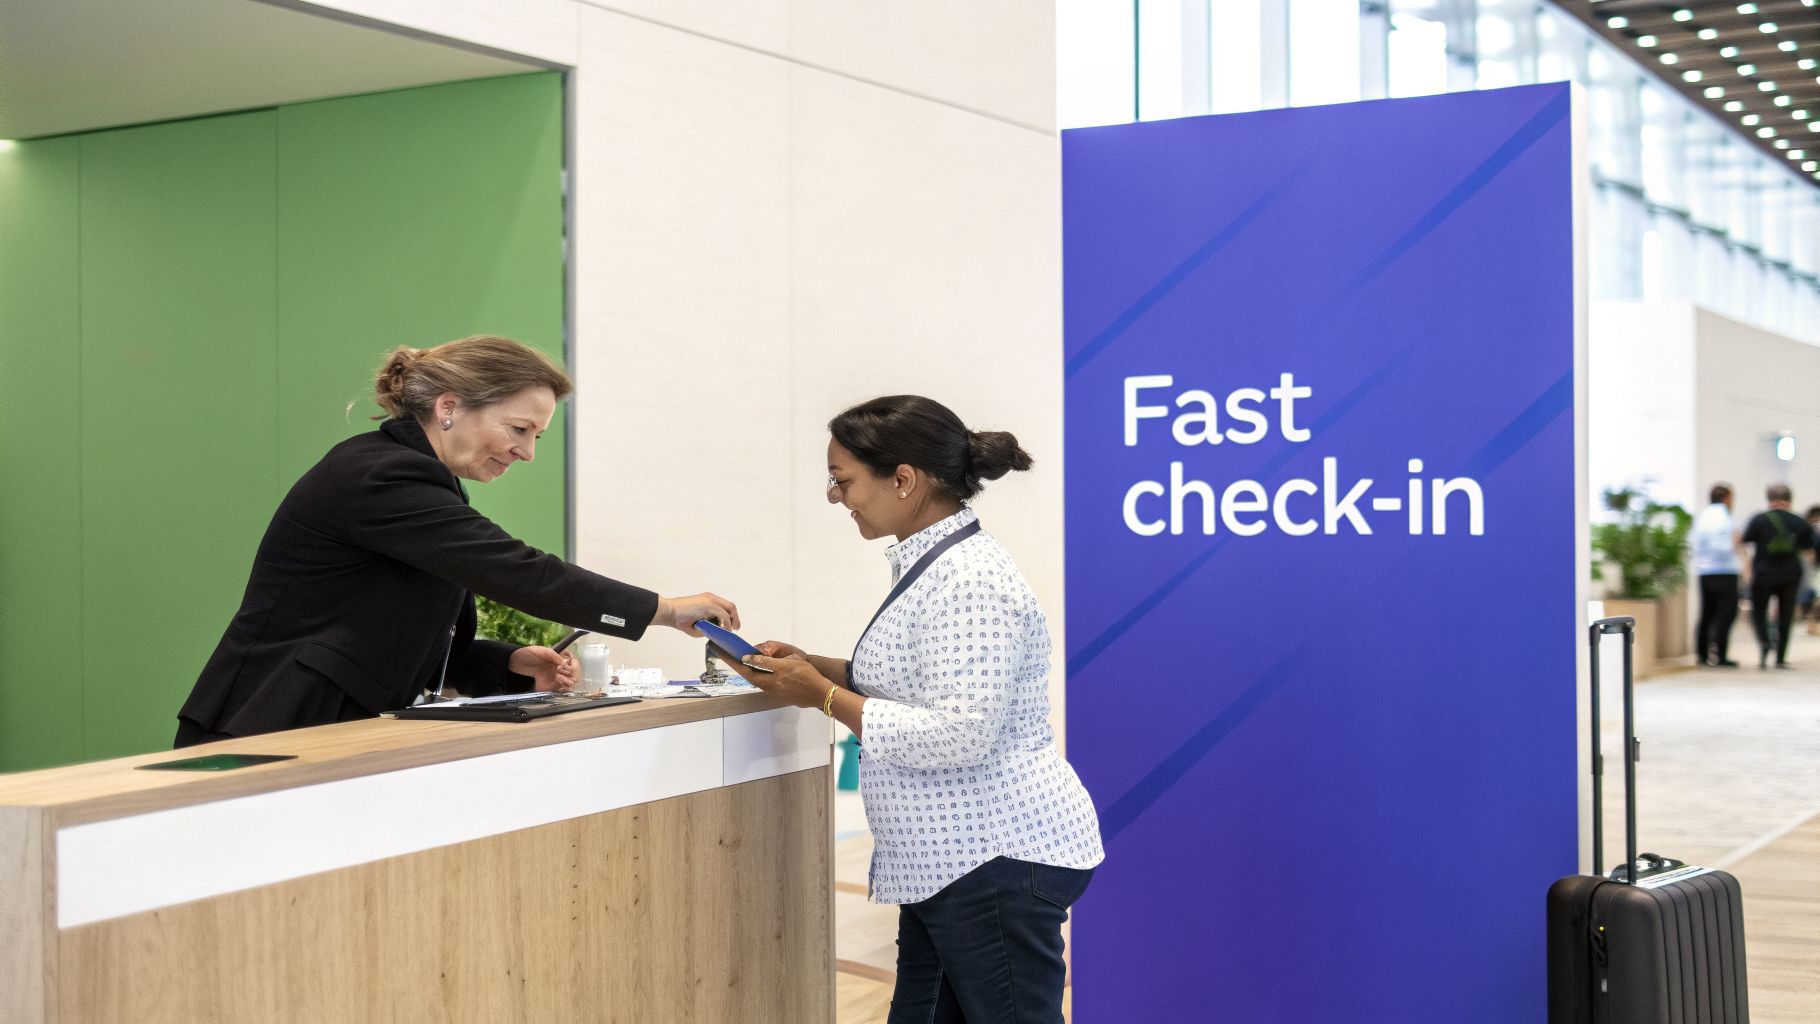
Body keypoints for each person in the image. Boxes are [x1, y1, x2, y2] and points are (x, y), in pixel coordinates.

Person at [727, 395, 1103, 1024]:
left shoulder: (970, 579)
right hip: (950, 864)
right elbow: (918, 686)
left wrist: (820, 696)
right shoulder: (935, 566)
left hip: (993, 857)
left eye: (841, 480)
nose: (833, 497)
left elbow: (959, 733)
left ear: (904, 479)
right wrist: (818, 669)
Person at [176, 336, 737, 745]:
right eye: (518, 429)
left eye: (537, 436)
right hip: (269, 728)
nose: (527, 453)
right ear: (448, 407)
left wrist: (510, 662)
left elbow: (409, 637)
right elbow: (518, 571)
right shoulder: (383, 476)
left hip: (322, 729)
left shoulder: (418, 480)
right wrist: (663, 610)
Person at [1739, 482, 1815, 670]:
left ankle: (1764, 644)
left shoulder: (1758, 519)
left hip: (1763, 573)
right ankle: (1780, 657)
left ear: (1769, 499)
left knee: (1759, 612)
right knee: (1785, 615)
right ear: (1789, 499)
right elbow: (1809, 550)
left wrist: (1746, 569)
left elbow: (1744, 541)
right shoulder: (1799, 521)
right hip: (1790, 574)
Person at [1691, 483, 1744, 667]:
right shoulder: (1727, 517)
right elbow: (1733, 543)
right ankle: (1720, 654)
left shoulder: (1703, 516)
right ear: (1727, 498)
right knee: (1726, 613)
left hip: (1704, 571)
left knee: (1707, 612)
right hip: (1725, 571)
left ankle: (1702, 654)